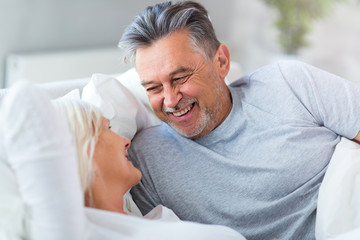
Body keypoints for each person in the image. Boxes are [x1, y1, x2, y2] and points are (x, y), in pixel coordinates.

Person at [118, 1, 360, 240]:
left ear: (221, 61)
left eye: (180, 77)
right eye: (153, 87)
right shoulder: (144, 161)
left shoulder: (290, 84)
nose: (170, 100)